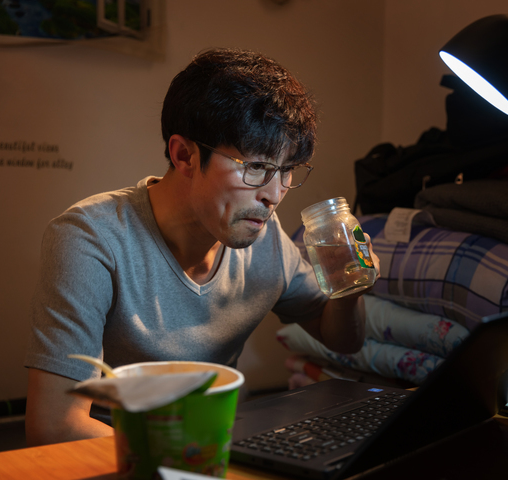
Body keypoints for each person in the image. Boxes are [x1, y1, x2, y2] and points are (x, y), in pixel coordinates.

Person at [24, 48, 379, 447]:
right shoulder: (91, 238)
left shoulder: (265, 238)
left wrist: (348, 288)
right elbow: (54, 425)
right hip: (120, 455)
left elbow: (342, 340)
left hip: (222, 444)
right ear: (185, 156)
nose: (274, 194)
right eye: (256, 167)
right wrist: (195, 461)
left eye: (286, 171)